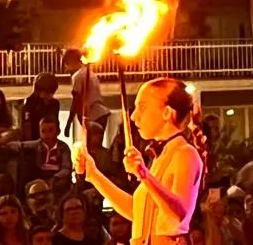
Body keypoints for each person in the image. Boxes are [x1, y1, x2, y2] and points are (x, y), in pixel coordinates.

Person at [75, 77, 204, 245]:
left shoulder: (185, 153)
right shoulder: (161, 156)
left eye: (141, 107)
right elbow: (136, 211)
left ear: (167, 112)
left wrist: (144, 175)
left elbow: (179, 214)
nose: (134, 117)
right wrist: (93, 174)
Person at [62, 53, 109, 148]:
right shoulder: (91, 74)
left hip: (92, 115)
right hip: (101, 113)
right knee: (97, 148)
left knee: (90, 147)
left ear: (71, 62)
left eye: (66, 65)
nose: (66, 69)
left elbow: (76, 100)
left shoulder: (78, 76)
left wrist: (68, 124)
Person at [13, 116, 71, 184]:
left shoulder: (63, 147)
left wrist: (56, 177)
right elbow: (20, 145)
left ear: (58, 131)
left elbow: (66, 168)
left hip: (57, 179)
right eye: (43, 131)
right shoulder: (37, 145)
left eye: (50, 130)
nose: (46, 134)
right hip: (39, 178)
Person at [20, 76, 62, 142]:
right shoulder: (29, 102)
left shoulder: (54, 103)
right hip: (34, 139)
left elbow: (56, 120)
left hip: (50, 139)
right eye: (48, 92)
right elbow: (26, 124)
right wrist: (29, 143)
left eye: (52, 92)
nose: (50, 95)